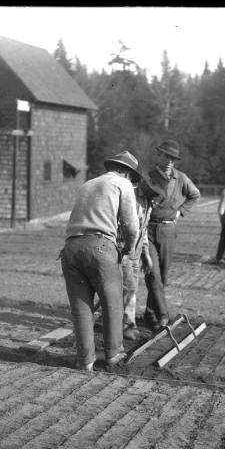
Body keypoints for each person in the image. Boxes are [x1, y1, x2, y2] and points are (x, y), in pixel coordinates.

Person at [60, 150, 140, 372]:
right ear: (126, 172)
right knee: (112, 302)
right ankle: (114, 353)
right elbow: (131, 224)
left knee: (81, 308)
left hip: (70, 248)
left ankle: (85, 360)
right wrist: (129, 249)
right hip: (101, 246)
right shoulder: (123, 184)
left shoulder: (88, 184)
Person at [143, 139, 201, 329]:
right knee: (153, 274)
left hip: (169, 231)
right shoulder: (148, 176)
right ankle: (163, 315)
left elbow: (195, 194)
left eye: (173, 158)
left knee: (164, 277)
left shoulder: (181, 178)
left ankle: (150, 314)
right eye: (166, 156)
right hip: (148, 230)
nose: (169, 161)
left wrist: (180, 211)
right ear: (158, 155)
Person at [121, 177, 156, 341]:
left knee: (131, 288)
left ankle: (127, 323)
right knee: (127, 287)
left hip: (136, 252)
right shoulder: (132, 198)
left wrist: (146, 253)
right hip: (125, 251)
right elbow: (127, 227)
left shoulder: (149, 202)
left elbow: (144, 229)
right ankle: (125, 325)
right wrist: (127, 252)